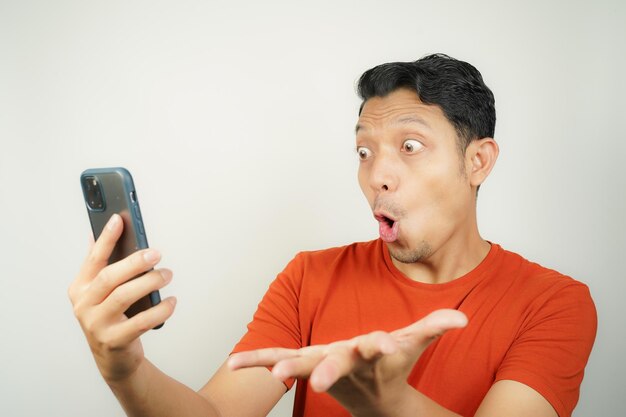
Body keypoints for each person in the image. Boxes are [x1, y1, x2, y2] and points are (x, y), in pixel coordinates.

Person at [69, 53, 597, 417]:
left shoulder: (554, 303)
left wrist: (390, 402)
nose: (377, 175)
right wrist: (125, 368)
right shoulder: (309, 277)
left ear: (478, 161)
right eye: (364, 152)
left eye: (410, 146)